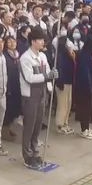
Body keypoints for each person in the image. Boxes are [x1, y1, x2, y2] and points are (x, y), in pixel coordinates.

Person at [19, 28, 56, 169]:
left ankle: (35, 151)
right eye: (40, 40)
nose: (43, 42)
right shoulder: (25, 58)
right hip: (30, 95)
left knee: (38, 125)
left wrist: (52, 77)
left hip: (42, 93)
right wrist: (47, 76)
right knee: (29, 125)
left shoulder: (42, 56)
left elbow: (48, 71)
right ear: (33, 41)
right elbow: (29, 78)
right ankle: (27, 155)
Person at [73, 24, 92, 140]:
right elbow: (85, 74)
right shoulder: (84, 56)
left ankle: (87, 128)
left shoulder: (90, 55)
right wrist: (89, 87)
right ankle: (84, 130)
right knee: (85, 108)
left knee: (90, 108)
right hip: (85, 88)